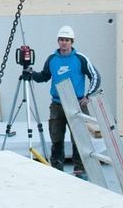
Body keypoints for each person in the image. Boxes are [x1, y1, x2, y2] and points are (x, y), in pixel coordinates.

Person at [21, 26, 93, 172]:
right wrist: (32, 74)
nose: (64, 43)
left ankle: (80, 170)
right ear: (58, 41)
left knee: (79, 140)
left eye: (67, 40)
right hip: (57, 105)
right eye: (61, 40)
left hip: (77, 104)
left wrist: (88, 96)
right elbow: (44, 77)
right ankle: (57, 170)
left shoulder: (80, 59)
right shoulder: (52, 59)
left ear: (72, 41)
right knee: (56, 139)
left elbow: (95, 76)